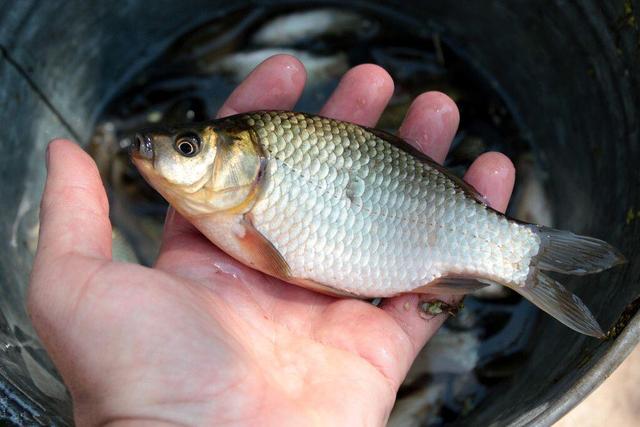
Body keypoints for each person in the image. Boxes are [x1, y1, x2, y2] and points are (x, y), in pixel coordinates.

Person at [28, 55, 515, 426]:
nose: (153, 151)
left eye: (187, 147)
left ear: (250, 164)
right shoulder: (225, 215)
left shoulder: (234, 215)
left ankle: (520, 256)